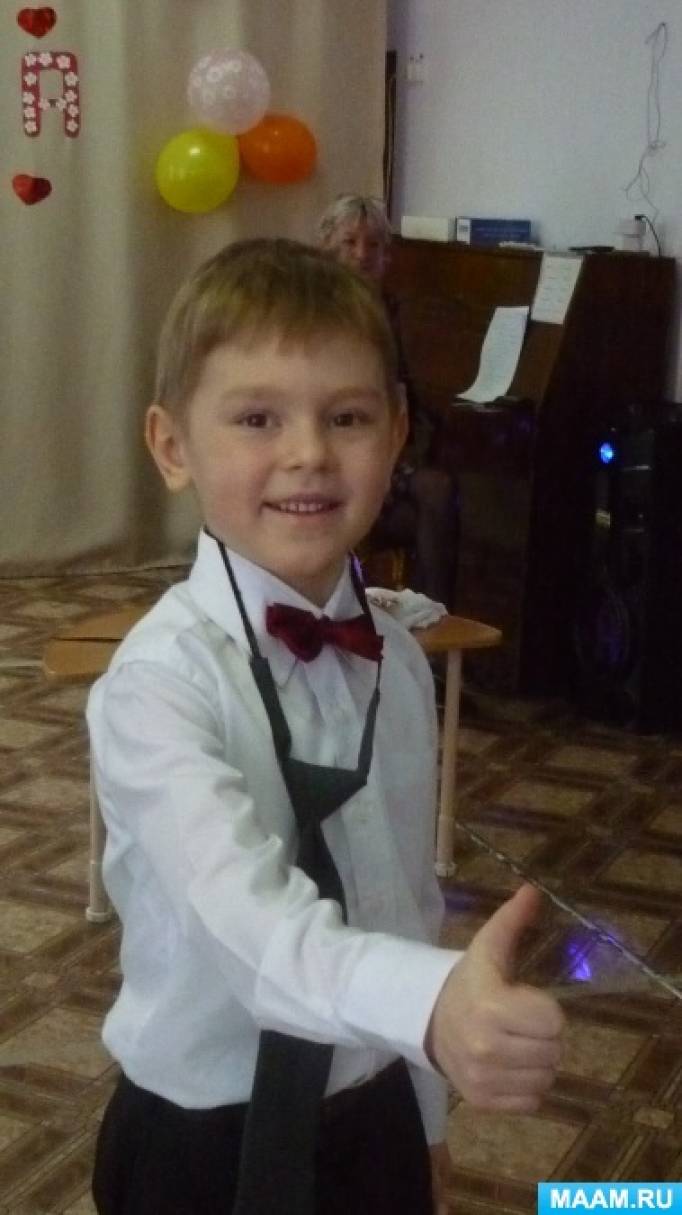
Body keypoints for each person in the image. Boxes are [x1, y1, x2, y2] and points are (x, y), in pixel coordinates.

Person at [87, 238, 564, 1215]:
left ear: (396, 435)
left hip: (370, 1104)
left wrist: (423, 1117)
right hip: (202, 1138)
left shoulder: (397, 661)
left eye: (346, 417)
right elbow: (251, 928)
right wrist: (432, 1006)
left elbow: (402, 903)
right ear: (172, 447)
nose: (308, 452)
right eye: (257, 417)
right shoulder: (156, 687)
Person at [318, 194, 460, 610]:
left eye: (373, 245)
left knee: (439, 493)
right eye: (349, 242)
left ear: (387, 256)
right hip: (336, 453)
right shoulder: (315, 314)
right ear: (326, 249)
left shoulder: (397, 313)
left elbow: (409, 393)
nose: (362, 254)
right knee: (425, 506)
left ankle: (432, 617)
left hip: (388, 454)